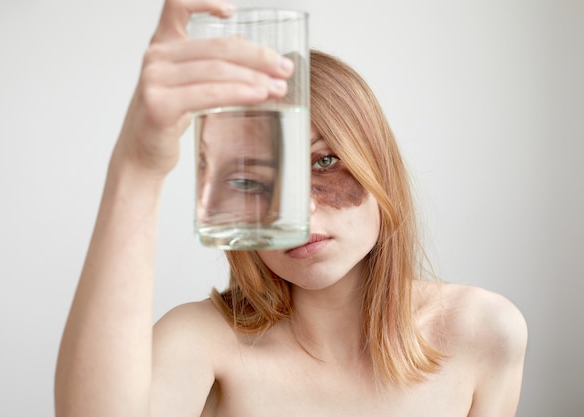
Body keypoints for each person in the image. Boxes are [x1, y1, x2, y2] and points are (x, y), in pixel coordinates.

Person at [54, 0, 528, 416]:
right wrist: (138, 166)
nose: (296, 209)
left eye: (325, 161)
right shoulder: (205, 344)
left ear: (379, 168)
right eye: (255, 181)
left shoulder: (483, 333)